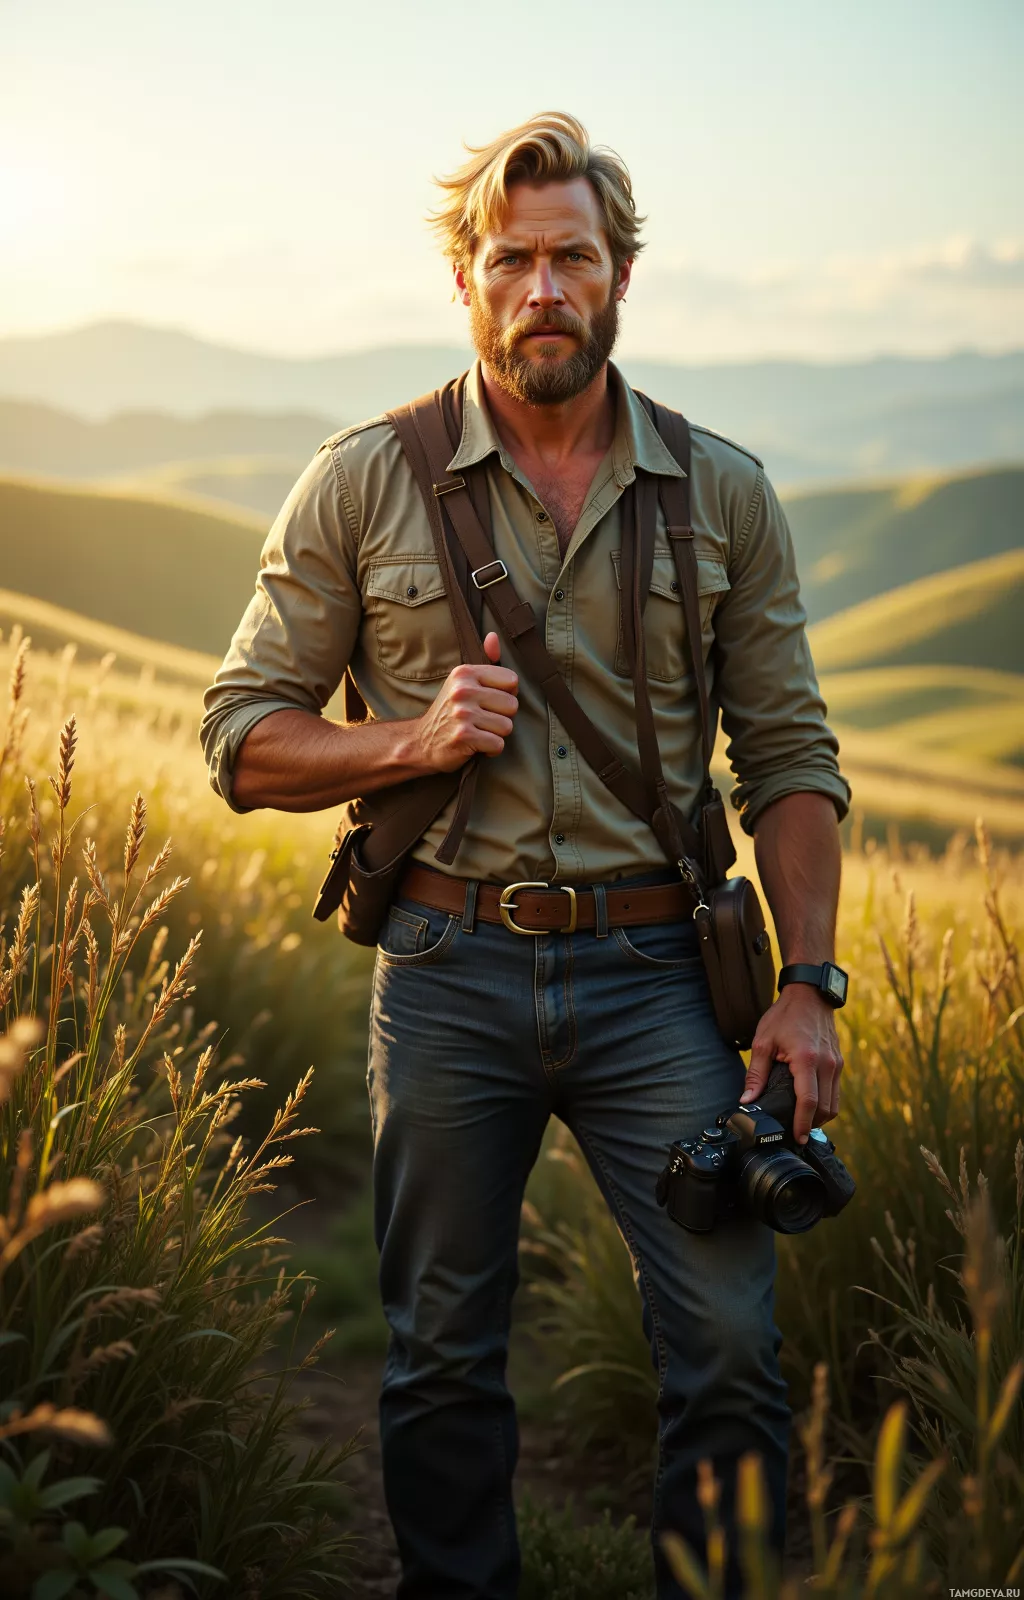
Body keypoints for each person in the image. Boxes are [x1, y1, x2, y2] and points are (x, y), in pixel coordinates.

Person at [200, 110, 851, 1600]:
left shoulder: (721, 491)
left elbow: (793, 762)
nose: (543, 286)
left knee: (733, 1348)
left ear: (622, 276)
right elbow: (241, 739)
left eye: (573, 257)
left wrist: (806, 985)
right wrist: (408, 745)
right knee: (438, 1359)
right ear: (465, 282)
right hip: (445, 967)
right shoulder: (367, 480)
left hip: (658, 980)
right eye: (512, 259)